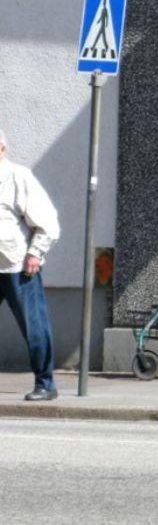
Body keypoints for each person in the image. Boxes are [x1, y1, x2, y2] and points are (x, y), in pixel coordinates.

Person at [0, 128, 60, 401]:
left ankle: (45, 383)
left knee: (33, 324)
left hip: (17, 265)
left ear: (2, 149)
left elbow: (47, 221)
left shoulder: (18, 176)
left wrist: (35, 253)